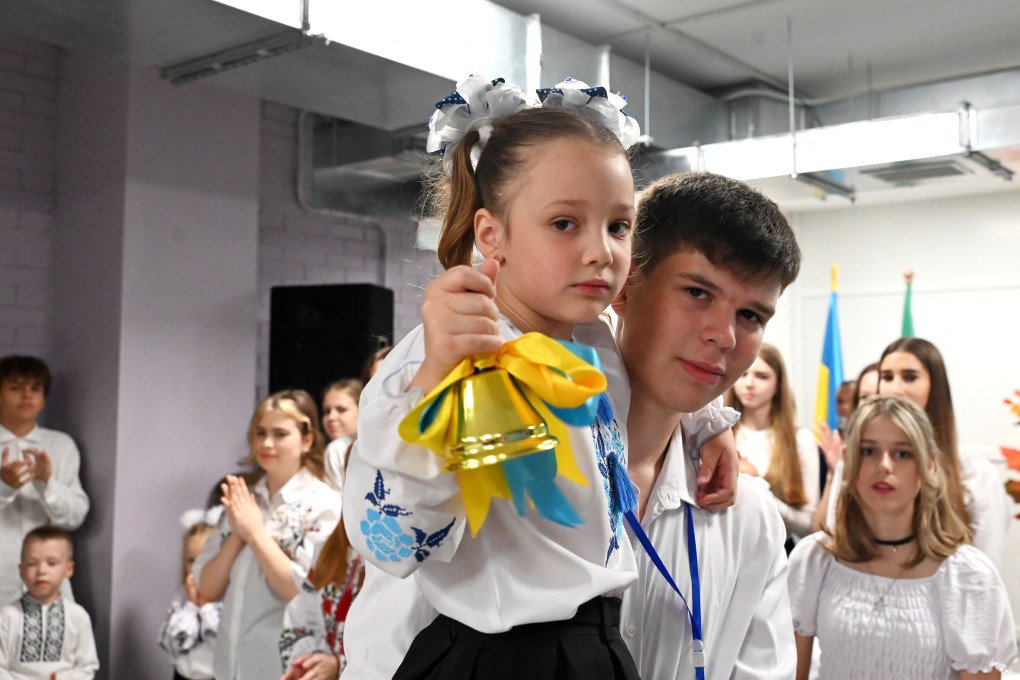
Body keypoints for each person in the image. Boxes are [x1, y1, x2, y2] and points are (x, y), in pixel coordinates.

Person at [342, 75, 737, 680]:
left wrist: (707, 421)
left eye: (619, 225)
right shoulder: (459, 354)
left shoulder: (589, 342)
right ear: (491, 234)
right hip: (501, 656)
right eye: (564, 224)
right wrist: (434, 380)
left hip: (593, 648)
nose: (600, 251)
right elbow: (390, 538)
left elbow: (640, 376)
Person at [614, 171, 801, 679]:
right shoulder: (526, 468)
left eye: (751, 316)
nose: (723, 335)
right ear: (624, 285)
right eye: (698, 292)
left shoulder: (749, 515)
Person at [789, 395, 1016, 679]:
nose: (884, 465)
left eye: (902, 454)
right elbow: (791, 670)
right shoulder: (815, 560)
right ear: (849, 460)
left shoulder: (967, 576)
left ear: (929, 465)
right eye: (869, 451)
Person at [823, 339, 1011, 569]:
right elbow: (836, 538)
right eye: (887, 377)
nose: (895, 388)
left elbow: (987, 568)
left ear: (935, 387)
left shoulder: (976, 473)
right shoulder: (856, 462)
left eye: (910, 377)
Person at [195, 390, 340, 680]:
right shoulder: (243, 501)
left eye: (280, 434)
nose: (267, 443)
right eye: (260, 433)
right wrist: (238, 535)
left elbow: (307, 595)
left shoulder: (325, 505)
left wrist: (257, 535)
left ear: (307, 440)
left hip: (285, 668)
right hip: (229, 667)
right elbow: (206, 589)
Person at [0, 355, 89, 606]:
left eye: (35, 388)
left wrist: (46, 485)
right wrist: (5, 486)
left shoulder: (60, 445)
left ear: (43, 400)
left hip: (48, 581)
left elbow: (75, 517)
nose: (26, 396)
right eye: (15, 387)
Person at [726, 343, 820, 544]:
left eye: (762, 376)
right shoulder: (719, 433)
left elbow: (808, 525)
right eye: (743, 374)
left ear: (778, 384)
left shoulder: (800, 440)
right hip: (724, 544)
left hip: (777, 550)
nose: (749, 383)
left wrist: (758, 485)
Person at [0, 525, 99, 679]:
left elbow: (87, 666)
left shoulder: (78, 616)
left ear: (68, 569)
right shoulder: (7, 616)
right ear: (21, 570)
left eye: (51, 563)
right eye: (32, 563)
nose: (41, 571)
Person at [277, 521, 363, 680]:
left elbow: (398, 642)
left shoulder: (398, 564)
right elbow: (300, 622)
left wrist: (339, 666)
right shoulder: (327, 551)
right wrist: (309, 664)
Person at [814, 361, 880, 532]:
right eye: (865, 397)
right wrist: (834, 471)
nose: (873, 405)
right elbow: (820, 530)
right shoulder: (845, 451)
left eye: (879, 395)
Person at [159, 508, 223, 680]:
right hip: (183, 675)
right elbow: (171, 643)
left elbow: (221, 643)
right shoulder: (182, 595)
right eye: (191, 561)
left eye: (205, 559)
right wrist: (191, 607)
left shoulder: (228, 599)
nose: (197, 568)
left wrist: (205, 608)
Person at [320, 379, 362, 491]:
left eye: (341, 410)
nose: (331, 417)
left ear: (362, 409)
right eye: (327, 411)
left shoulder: (336, 449)